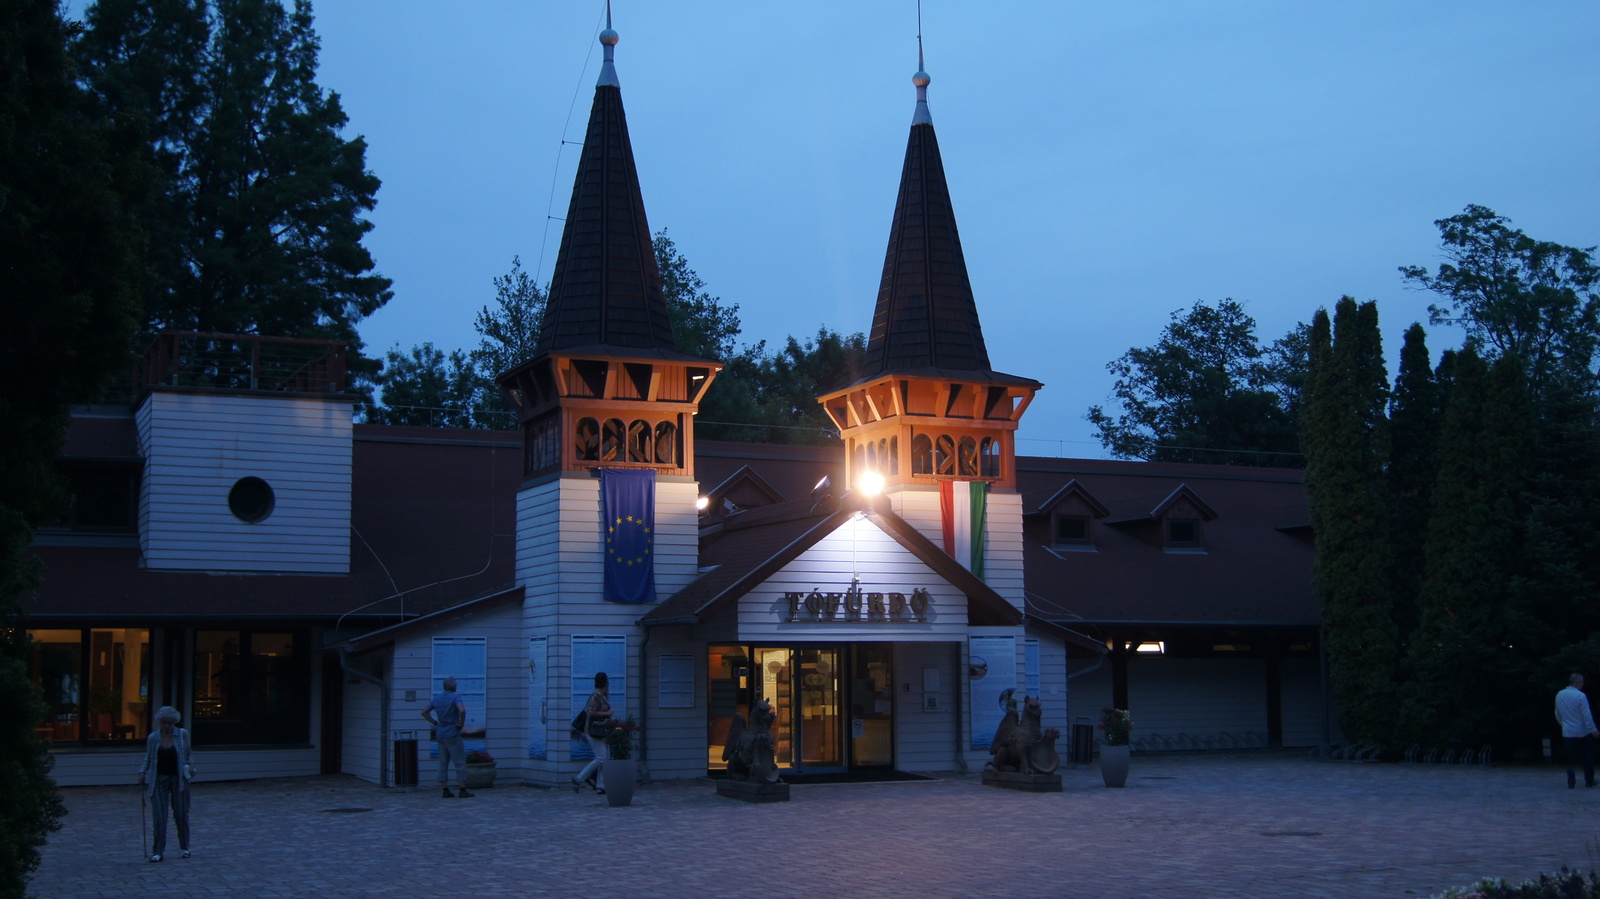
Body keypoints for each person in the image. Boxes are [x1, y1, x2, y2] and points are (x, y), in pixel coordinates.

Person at [137, 706, 194, 862]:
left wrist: (190, 769)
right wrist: (142, 772)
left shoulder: (182, 735)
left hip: (178, 780)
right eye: (164, 723)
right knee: (159, 816)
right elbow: (148, 758)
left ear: (174, 722)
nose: (167, 726)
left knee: (181, 814)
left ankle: (185, 847)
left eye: (169, 723)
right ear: (160, 723)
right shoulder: (153, 738)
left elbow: (188, 755)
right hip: (159, 780)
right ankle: (158, 851)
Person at [422, 676, 472, 798]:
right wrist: (461, 724)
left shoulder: (437, 698)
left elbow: (424, 712)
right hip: (452, 732)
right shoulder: (456, 697)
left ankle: (445, 788)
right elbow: (462, 710)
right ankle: (462, 788)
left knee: (443, 762)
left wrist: (435, 723)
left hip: (440, 732)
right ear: (453, 686)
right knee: (459, 761)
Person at [1555, 673, 1598, 789]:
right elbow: (1586, 715)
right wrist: (1593, 729)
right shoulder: (1580, 696)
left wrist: (1562, 724)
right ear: (1577, 682)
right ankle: (1589, 780)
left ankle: (1571, 781)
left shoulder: (1560, 694)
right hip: (1582, 731)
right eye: (1581, 682)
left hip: (1567, 731)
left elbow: (1557, 713)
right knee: (1587, 756)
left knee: (1570, 758)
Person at [571, 671, 612, 794]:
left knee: (603, 757)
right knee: (601, 758)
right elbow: (591, 712)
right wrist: (607, 714)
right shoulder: (597, 696)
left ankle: (600, 785)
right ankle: (580, 778)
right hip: (593, 731)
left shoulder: (600, 695)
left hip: (599, 730)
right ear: (605, 683)